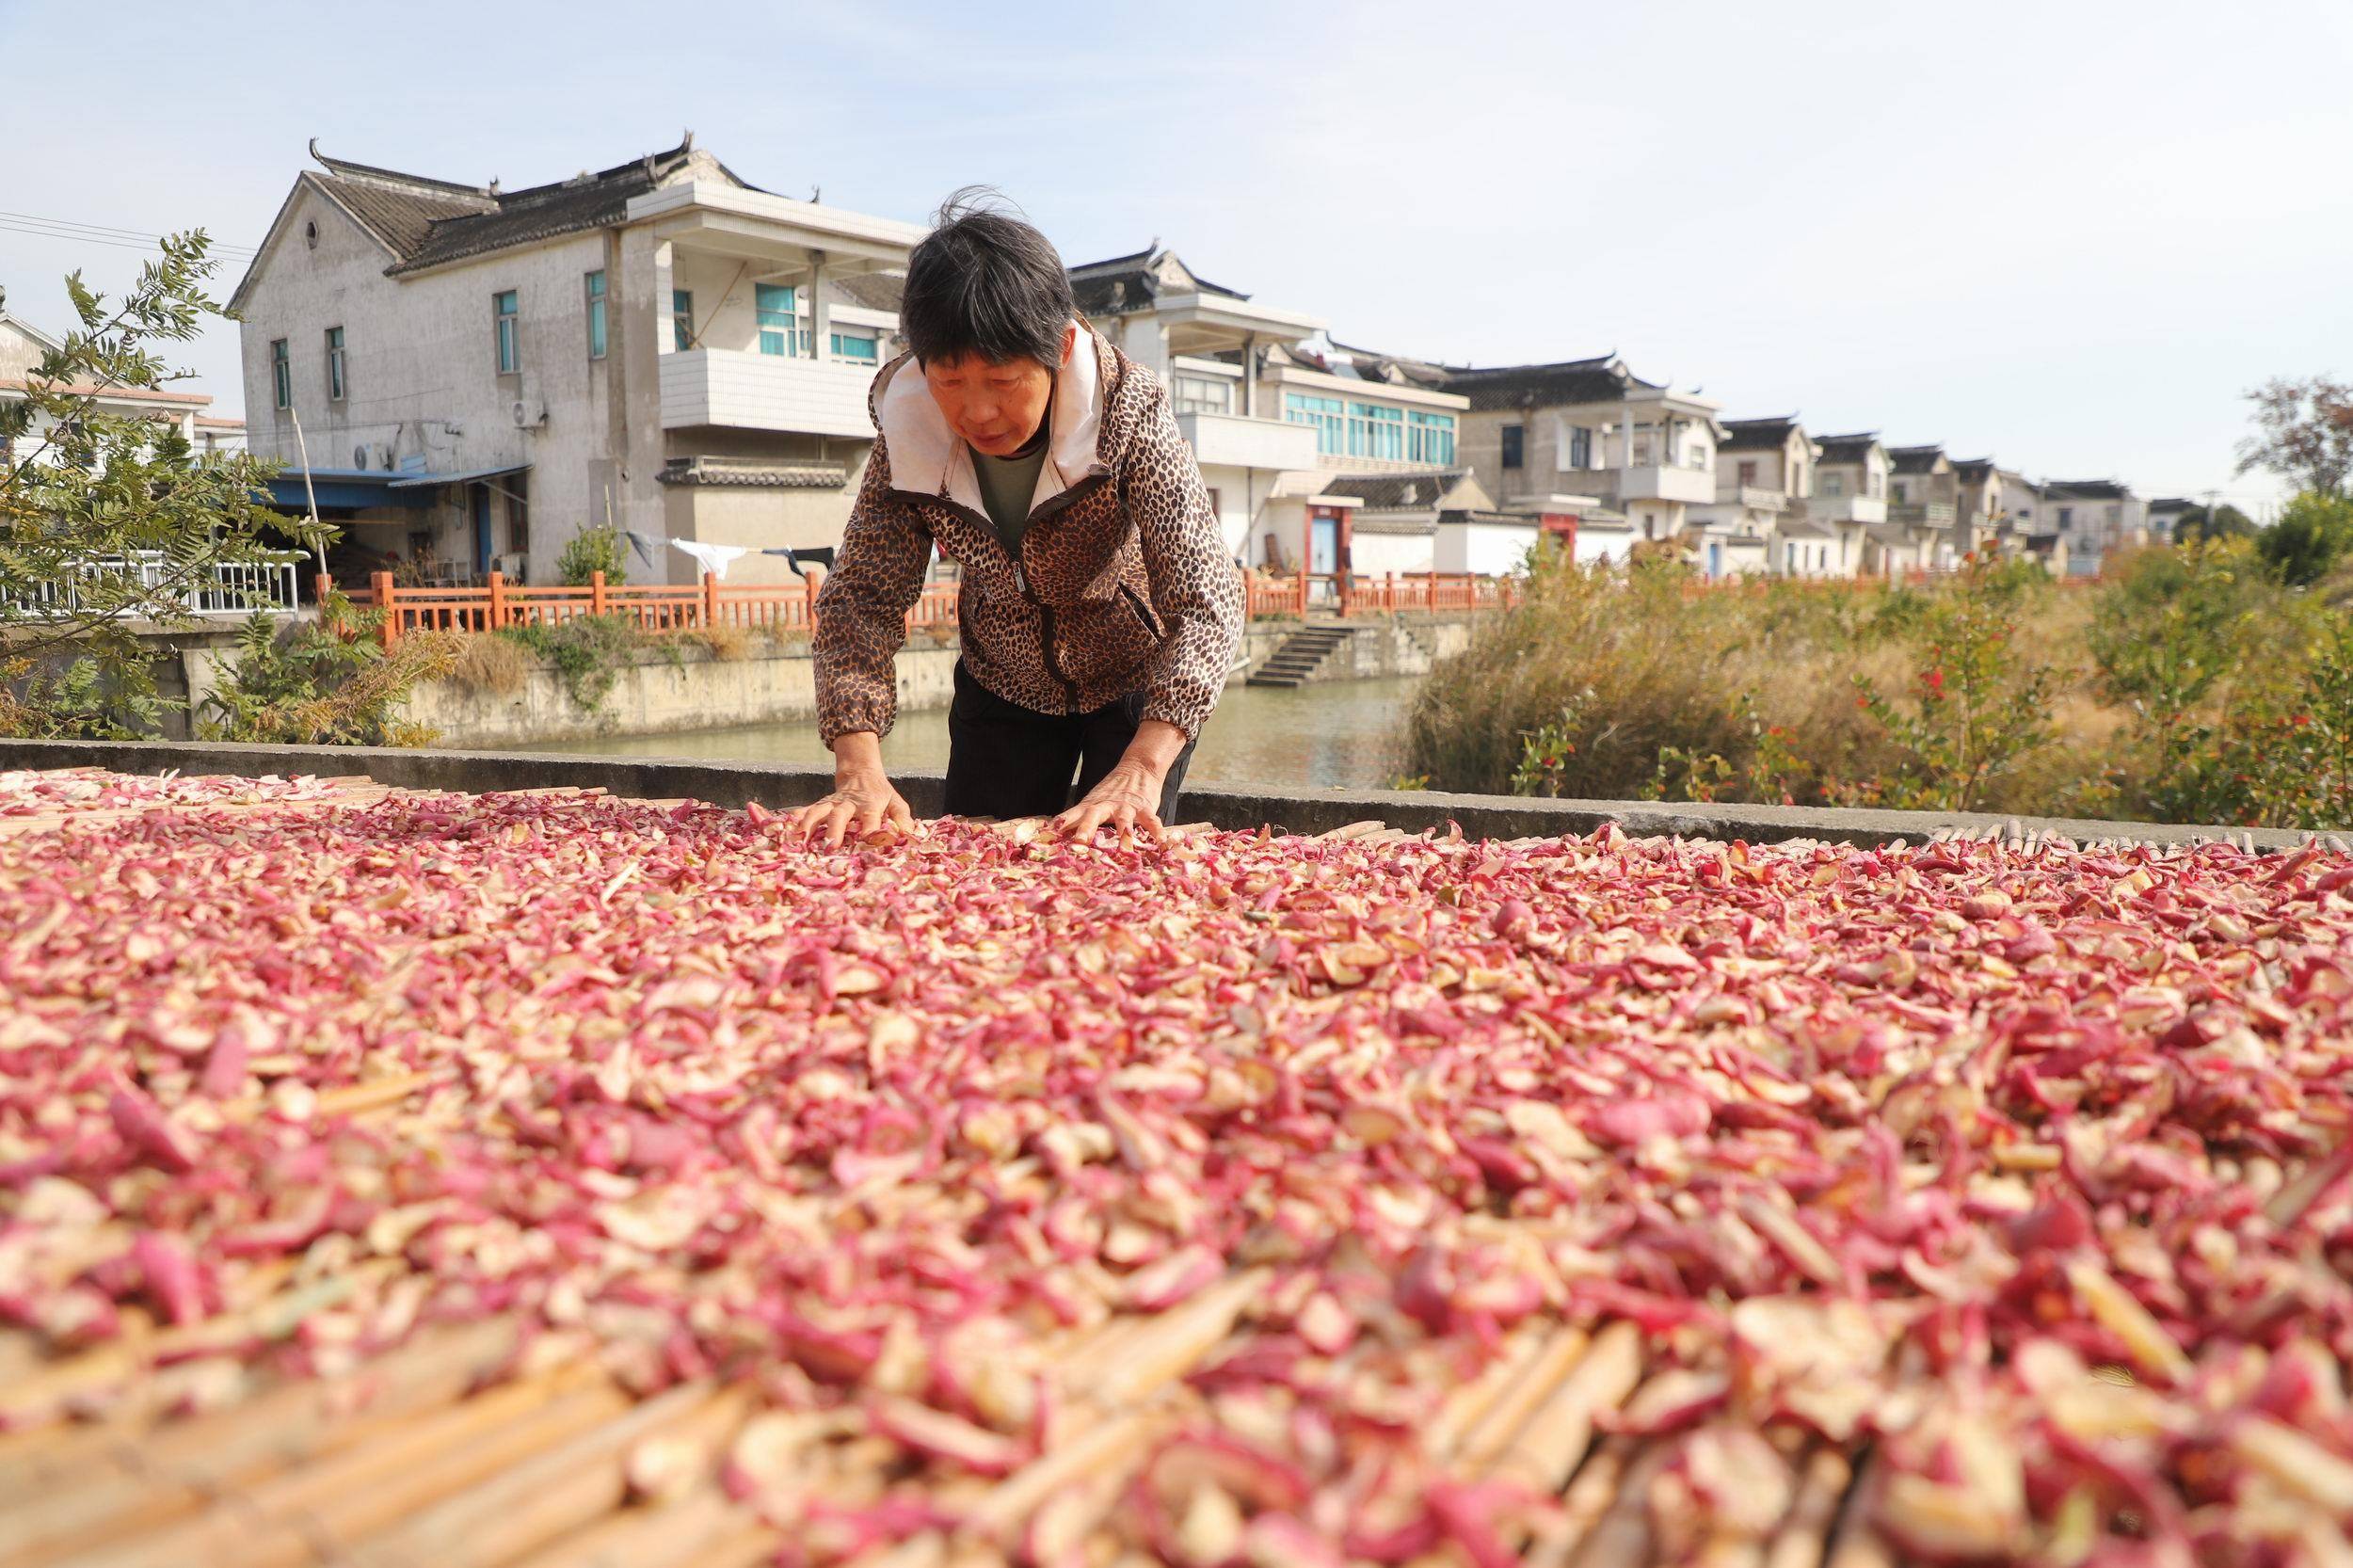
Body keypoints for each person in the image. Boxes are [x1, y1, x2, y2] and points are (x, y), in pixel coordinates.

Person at [792, 194, 1242, 848]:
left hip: (1132, 680)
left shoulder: (1126, 411)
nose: (976, 413)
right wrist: (857, 766)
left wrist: (1144, 767)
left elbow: (1208, 596)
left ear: (1059, 349)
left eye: (1002, 381)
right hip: (1002, 680)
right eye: (950, 379)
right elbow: (862, 597)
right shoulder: (909, 427)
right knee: (978, 857)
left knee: (1115, 858)